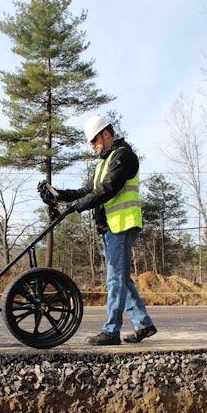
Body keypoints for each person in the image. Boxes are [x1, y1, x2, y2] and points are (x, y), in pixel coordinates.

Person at [38, 114, 157, 346]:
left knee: (115, 278)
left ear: (107, 133)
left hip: (122, 224)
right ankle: (144, 323)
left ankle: (111, 331)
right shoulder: (104, 161)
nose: (92, 145)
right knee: (122, 278)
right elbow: (87, 191)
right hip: (110, 226)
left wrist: (77, 207)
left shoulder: (124, 157)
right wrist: (60, 196)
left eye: (94, 140)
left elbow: (108, 189)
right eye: (90, 142)